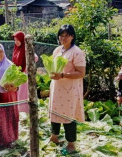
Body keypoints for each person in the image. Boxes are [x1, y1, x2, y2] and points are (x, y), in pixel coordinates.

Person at [49, 24, 86, 154]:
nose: (63, 38)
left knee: (68, 116)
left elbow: (81, 73)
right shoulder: (57, 50)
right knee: (55, 111)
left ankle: (71, 143)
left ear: (72, 36)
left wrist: (63, 75)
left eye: (67, 35)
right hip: (57, 87)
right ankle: (54, 137)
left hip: (69, 90)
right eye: (61, 35)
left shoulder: (77, 52)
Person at [12, 31, 38, 113]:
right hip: (17, 76)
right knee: (17, 95)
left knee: (23, 95)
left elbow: (35, 57)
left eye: (18, 40)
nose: (16, 42)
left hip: (25, 77)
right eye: (15, 40)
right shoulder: (16, 49)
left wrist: (27, 67)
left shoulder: (26, 49)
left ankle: (25, 113)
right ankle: (19, 113)